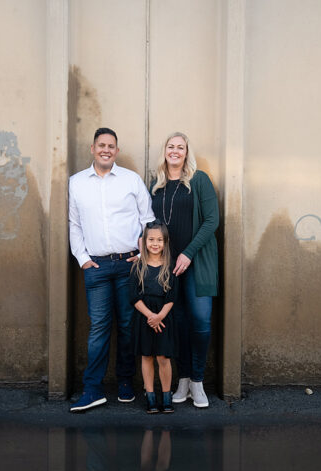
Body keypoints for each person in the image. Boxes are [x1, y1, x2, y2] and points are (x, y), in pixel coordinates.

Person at [68, 127, 155, 412]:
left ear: (116, 151)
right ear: (92, 149)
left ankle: (125, 382)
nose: (106, 149)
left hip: (129, 265)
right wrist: (82, 258)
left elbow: (148, 219)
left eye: (111, 146)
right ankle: (92, 389)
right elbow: (75, 224)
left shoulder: (131, 180)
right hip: (96, 266)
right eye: (101, 145)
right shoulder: (77, 183)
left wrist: (142, 253)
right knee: (99, 329)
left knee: (129, 327)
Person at [150, 132, 219, 408]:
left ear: (186, 152)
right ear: (165, 151)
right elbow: (148, 223)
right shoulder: (156, 184)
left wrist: (188, 253)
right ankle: (184, 379)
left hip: (196, 264)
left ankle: (198, 381)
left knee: (200, 323)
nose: (175, 151)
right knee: (176, 325)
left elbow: (212, 220)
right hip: (167, 268)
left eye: (180, 147)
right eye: (171, 146)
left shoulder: (199, 180)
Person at [130, 221, 180, 414]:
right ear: (144, 242)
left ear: (165, 242)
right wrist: (150, 316)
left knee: (163, 357)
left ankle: (166, 396)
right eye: (151, 239)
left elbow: (172, 296)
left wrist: (159, 317)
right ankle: (150, 396)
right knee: (147, 356)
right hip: (144, 318)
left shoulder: (170, 267)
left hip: (164, 318)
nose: (155, 243)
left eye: (159, 240)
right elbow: (133, 296)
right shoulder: (138, 267)